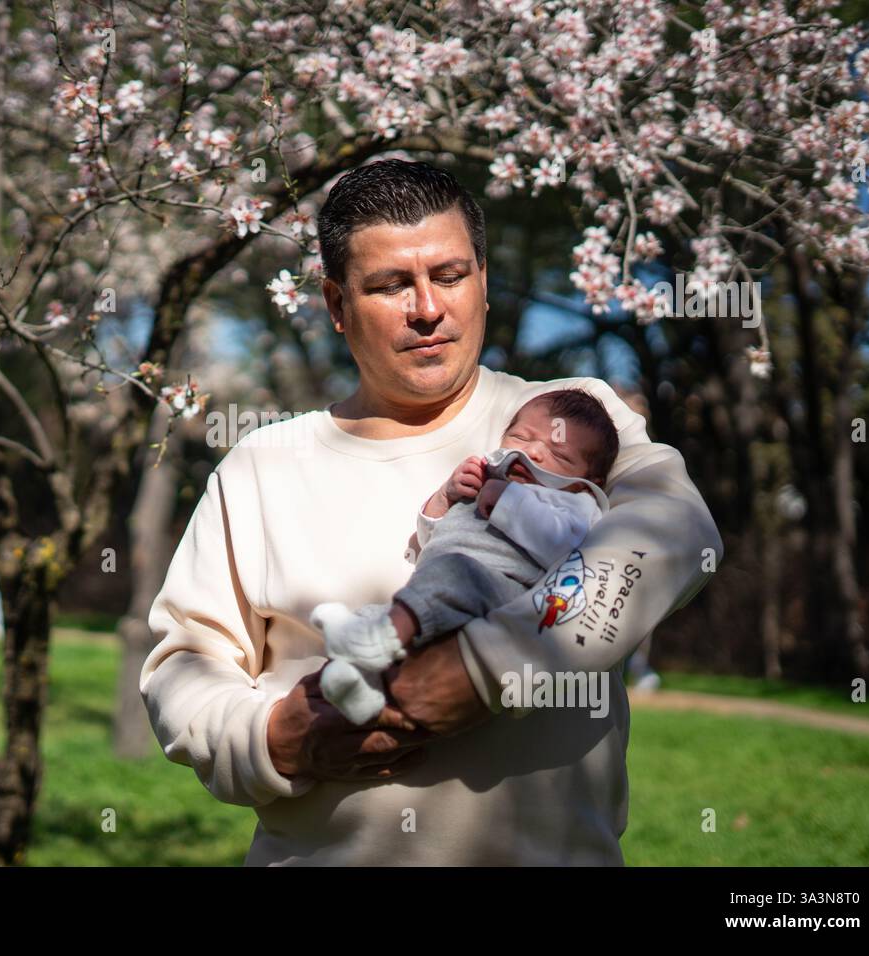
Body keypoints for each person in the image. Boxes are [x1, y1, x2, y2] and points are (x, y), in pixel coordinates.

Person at [140, 159, 721, 866]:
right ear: (335, 304)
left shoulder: (571, 420)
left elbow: (676, 533)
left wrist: (486, 669)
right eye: (390, 285)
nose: (427, 308)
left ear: (480, 280)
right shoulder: (261, 466)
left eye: (449, 276)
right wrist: (274, 739)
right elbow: (184, 666)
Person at [311, 388, 617, 725]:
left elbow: (563, 545)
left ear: (588, 480)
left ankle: (376, 642)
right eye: (521, 437)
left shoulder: (577, 502)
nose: (532, 453)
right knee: (374, 613)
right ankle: (360, 690)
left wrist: (509, 501)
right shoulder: (489, 479)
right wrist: (446, 497)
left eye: (558, 453)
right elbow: (432, 538)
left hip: (497, 595)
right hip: (437, 588)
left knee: (449, 578)